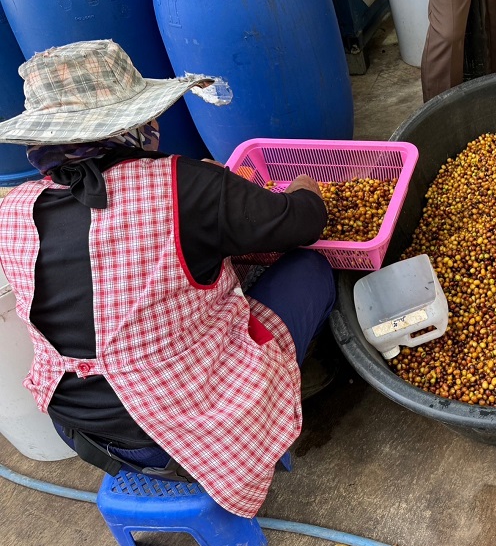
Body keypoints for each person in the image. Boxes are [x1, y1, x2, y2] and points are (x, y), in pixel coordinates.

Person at [0, 41, 337, 519]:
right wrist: (306, 188)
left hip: (78, 426)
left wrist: (204, 194)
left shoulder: (12, 208)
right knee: (311, 268)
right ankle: (278, 401)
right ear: (134, 122)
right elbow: (303, 222)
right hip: (174, 430)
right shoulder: (183, 185)